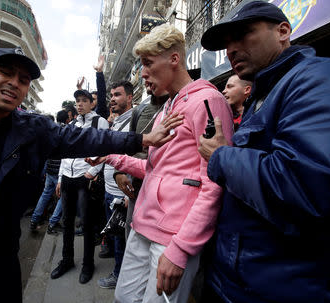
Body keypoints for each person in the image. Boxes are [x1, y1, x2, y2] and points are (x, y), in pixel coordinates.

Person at [0, 47, 183, 303]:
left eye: (23, 79)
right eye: (5, 72)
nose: (14, 83)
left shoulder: (32, 129)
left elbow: (85, 140)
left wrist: (142, 140)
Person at [198, 2, 330, 303]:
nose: (231, 49)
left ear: (283, 31)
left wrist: (221, 156)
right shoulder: (264, 93)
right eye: (226, 44)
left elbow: (308, 187)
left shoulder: (315, 79)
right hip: (234, 280)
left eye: (243, 34)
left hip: (278, 288)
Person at [88, 23, 233, 303]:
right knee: (123, 297)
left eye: (147, 63)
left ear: (174, 60)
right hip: (143, 225)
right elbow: (156, 170)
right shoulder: (168, 106)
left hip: (172, 238)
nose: (142, 73)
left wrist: (181, 248)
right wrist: (111, 157)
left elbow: (214, 182)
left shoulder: (209, 101)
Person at [52, 89, 109, 285]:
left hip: (85, 177)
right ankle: (67, 259)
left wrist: (93, 172)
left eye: (84, 100)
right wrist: (60, 177)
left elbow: (105, 147)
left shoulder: (99, 121)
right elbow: (65, 152)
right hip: (68, 177)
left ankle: (88, 264)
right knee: (67, 222)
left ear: (92, 103)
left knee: (86, 223)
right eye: (78, 101)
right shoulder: (72, 124)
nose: (80, 104)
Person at [114, 82, 169, 239]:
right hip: (136, 188)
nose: (144, 76)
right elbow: (129, 144)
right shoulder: (139, 110)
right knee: (132, 237)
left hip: (165, 192)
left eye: (149, 64)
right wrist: (119, 172)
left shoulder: (179, 105)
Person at [97, 80, 134, 289]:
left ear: (129, 97)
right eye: (111, 95)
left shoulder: (133, 121)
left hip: (122, 194)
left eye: (117, 95)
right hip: (109, 189)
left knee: (121, 238)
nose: (112, 99)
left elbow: (134, 157)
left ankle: (118, 276)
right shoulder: (117, 120)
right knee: (114, 234)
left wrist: (128, 195)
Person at [30, 114, 64, 235]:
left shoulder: (43, 134)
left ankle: (34, 220)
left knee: (45, 195)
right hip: (59, 171)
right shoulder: (59, 131)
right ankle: (52, 223)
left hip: (49, 170)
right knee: (63, 197)